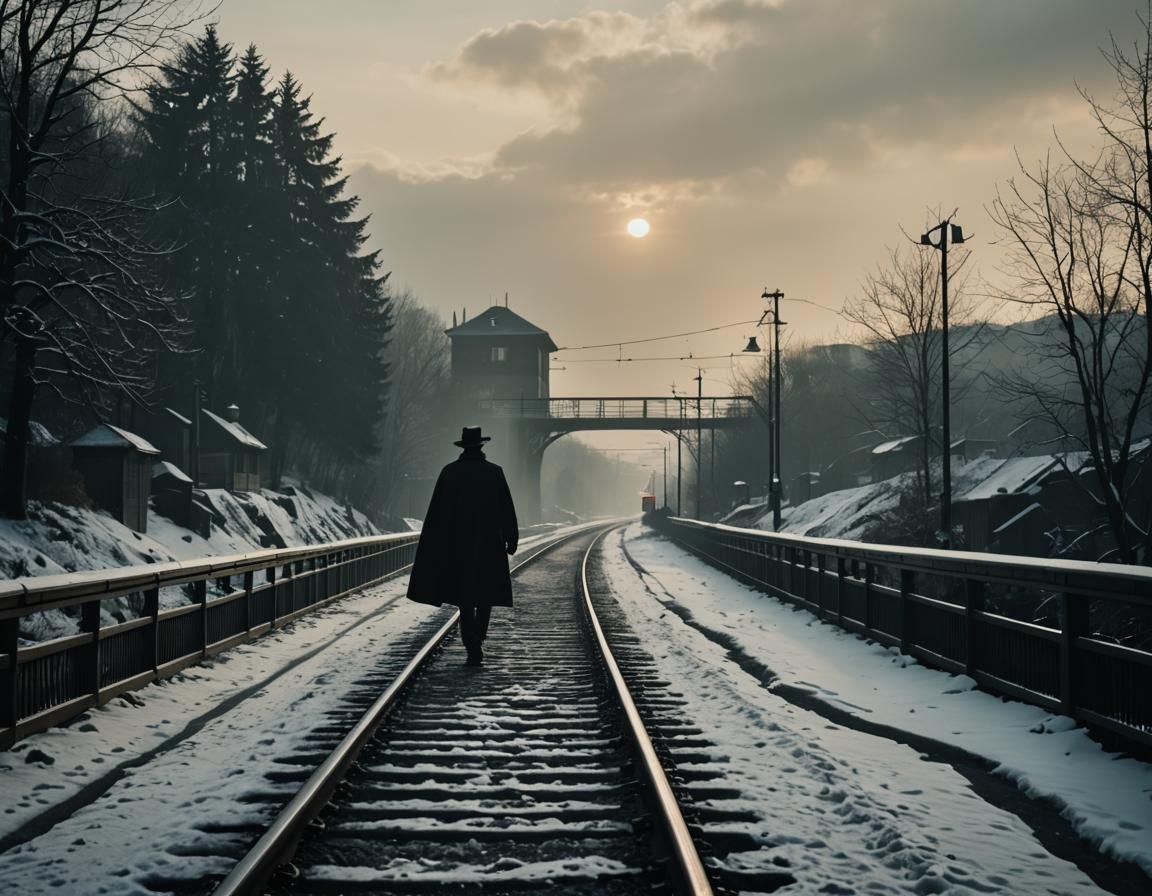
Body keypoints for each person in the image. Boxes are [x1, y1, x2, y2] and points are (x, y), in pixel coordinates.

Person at [407, 425, 518, 666]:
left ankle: (471, 642)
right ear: (481, 447)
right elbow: (506, 508)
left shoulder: (449, 473)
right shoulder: (494, 472)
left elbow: (436, 514)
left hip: (457, 545)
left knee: (464, 595)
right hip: (489, 544)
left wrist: (435, 545)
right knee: (486, 593)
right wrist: (512, 538)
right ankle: (478, 635)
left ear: (463, 447)